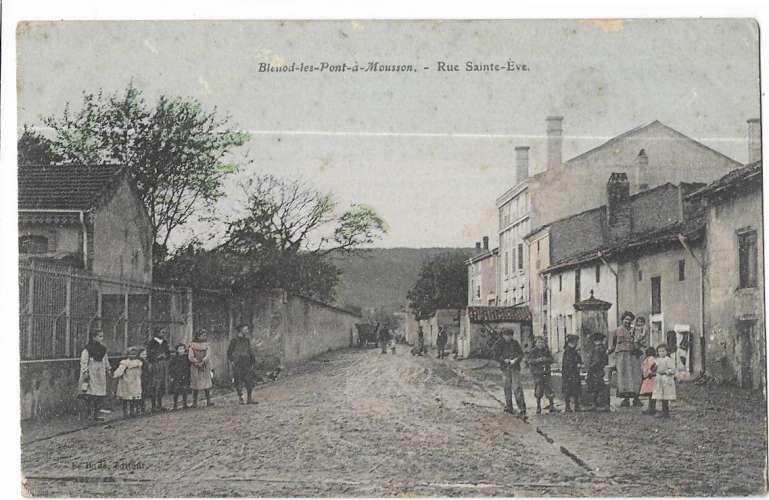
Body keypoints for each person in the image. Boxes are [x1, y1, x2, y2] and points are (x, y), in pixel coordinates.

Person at [608, 311, 644, 408]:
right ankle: (626, 399)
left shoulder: (635, 330)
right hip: (622, 356)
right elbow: (613, 345)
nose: (627, 321)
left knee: (635, 376)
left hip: (633, 355)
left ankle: (636, 398)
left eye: (629, 319)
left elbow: (640, 342)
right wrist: (608, 353)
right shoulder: (617, 331)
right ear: (622, 320)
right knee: (623, 377)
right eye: (626, 319)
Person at [78, 330, 111, 421]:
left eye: (102, 336)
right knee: (89, 395)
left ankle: (97, 414)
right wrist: (85, 372)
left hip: (100, 374)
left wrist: (108, 369)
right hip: (91, 373)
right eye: (99, 336)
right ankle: (88, 414)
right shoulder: (87, 349)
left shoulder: (103, 349)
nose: (101, 338)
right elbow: (84, 362)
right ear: (93, 337)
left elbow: (105, 360)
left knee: (99, 396)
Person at [495, 328, 527, 420]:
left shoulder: (515, 343)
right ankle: (509, 407)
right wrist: (503, 360)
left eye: (510, 335)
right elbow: (495, 355)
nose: (508, 337)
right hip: (505, 368)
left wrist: (516, 360)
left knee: (517, 388)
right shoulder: (499, 344)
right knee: (507, 387)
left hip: (515, 368)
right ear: (503, 335)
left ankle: (522, 409)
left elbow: (521, 354)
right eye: (506, 335)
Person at [227, 324, 258, 405]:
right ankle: (241, 398)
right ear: (241, 330)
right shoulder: (234, 340)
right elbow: (229, 352)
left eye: (247, 329)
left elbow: (249, 350)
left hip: (247, 362)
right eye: (245, 329)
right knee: (238, 380)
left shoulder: (247, 340)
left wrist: (253, 359)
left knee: (249, 380)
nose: (247, 331)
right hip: (238, 362)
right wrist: (232, 361)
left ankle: (249, 398)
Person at [528, 336, 557, 414]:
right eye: (539, 342)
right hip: (537, 374)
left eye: (542, 342)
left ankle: (551, 406)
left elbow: (552, 359)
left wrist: (546, 359)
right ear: (536, 343)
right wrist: (538, 360)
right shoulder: (533, 352)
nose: (540, 344)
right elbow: (530, 361)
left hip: (546, 373)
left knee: (549, 389)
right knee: (538, 390)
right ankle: (538, 407)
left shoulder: (546, 351)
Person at [144, 327, 171, 412]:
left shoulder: (165, 342)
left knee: (162, 385)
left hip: (163, 366)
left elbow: (168, 354)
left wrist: (165, 356)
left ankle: (160, 404)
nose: (164, 334)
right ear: (157, 333)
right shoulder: (151, 343)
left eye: (165, 332)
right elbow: (148, 355)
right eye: (162, 332)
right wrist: (156, 357)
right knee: (154, 385)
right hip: (155, 366)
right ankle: (153, 405)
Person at [113, 346, 143, 418]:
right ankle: (125, 412)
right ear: (127, 354)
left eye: (134, 354)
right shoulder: (125, 363)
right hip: (127, 382)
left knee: (134, 398)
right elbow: (120, 370)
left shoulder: (138, 362)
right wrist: (116, 375)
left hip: (135, 381)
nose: (132, 356)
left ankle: (133, 411)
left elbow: (140, 371)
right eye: (130, 354)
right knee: (126, 398)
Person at [189, 329, 214, 407]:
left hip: (205, 366)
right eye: (203, 335)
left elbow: (208, 355)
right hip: (195, 367)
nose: (204, 336)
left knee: (206, 384)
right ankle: (194, 402)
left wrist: (203, 361)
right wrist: (196, 362)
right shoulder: (192, 345)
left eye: (205, 335)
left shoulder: (207, 345)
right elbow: (190, 356)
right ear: (198, 336)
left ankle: (208, 401)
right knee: (195, 384)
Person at [586, 332, 609, 411]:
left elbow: (596, 360)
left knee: (598, 387)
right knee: (599, 387)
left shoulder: (597, 349)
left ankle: (599, 405)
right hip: (600, 369)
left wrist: (591, 367)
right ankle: (600, 404)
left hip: (595, 370)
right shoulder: (602, 348)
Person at [652, 344, 677, 418]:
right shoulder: (657, 360)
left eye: (663, 351)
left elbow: (673, 369)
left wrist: (666, 372)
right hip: (659, 379)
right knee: (660, 395)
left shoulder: (668, 359)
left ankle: (666, 412)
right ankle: (661, 411)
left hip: (666, 379)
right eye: (659, 351)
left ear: (666, 351)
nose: (661, 353)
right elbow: (654, 368)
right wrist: (654, 368)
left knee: (666, 396)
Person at [561, 334, 583, 412]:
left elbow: (579, 360)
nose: (577, 343)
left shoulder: (574, 351)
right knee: (568, 389)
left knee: (575, 389)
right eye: (576, 342)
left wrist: (579, 363)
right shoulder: (567, 351)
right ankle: (568, 406)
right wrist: (576, 364)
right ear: (572, 342)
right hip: (568, 373)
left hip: (574, 373)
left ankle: (576, 406)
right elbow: (567, 363)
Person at [169, 343, 191, 410]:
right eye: (180, 349)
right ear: (177, 350)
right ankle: (175, 405)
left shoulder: (186, 358)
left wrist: (187, 375)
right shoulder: (174, 358)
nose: (181, 350)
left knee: (184, 390)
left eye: (183, 349)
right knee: (176, 390)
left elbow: (188, 367)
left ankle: (185, 404)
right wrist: (172, 376)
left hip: (185, 375)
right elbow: (171, 368)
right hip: (176, 376)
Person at [640, 346, 658, 415]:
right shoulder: (649, 359)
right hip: (649, 378)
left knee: (651, 395)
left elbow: (654, 365)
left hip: (650, 378)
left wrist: (650, 371)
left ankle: (651, 409)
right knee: (651, 395)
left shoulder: (649, 359)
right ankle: (651, 408)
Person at [139, 348, 151, 414]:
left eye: (145, 354)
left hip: (145, 379)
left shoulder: (146, 361)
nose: (144, 356)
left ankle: (143, 408)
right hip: (140, 379)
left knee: (144, 393)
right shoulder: (139, 362)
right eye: (143, 354)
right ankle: (140, 408)